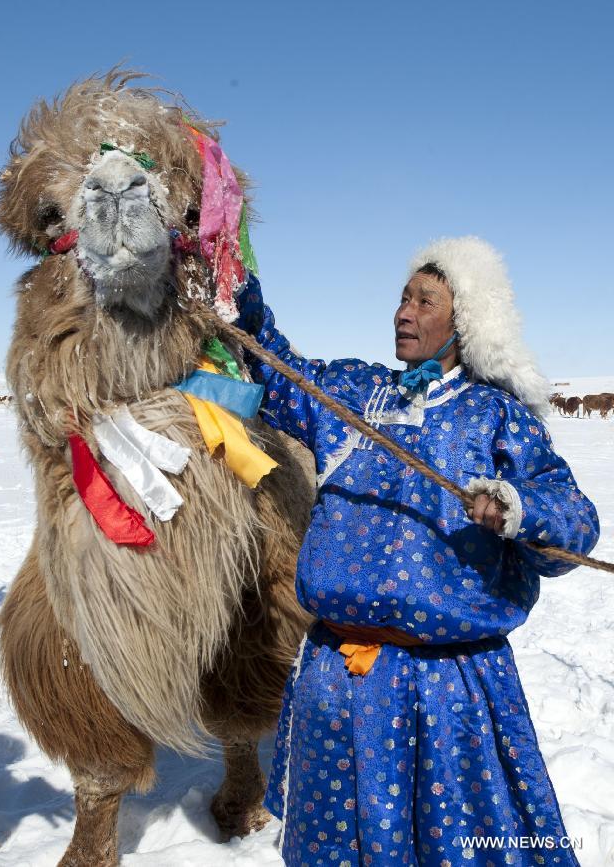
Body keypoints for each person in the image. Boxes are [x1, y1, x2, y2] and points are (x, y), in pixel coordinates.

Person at [234, 236, 598, 866]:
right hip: (334, 673)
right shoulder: (352, 396)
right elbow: (273, 364)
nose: (404, 312)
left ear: (467, 323)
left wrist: (519, 509)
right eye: (404, 298)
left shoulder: (496, 417)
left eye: (426, 301)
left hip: (445, 687)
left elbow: (573, 524)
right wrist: (231, 278)